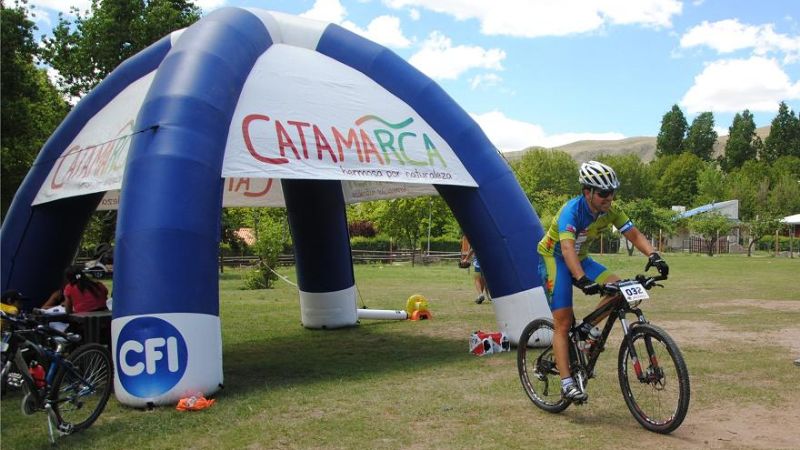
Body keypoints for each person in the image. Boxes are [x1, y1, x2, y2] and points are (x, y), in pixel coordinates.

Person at [537, 160, 669, 401]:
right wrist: (582, 279)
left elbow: (634, 234)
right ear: (587, 192)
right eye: (604, 193)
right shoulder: (572, 211)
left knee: (620, 287)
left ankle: (587, 330)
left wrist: (654, 255)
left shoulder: (611, 211)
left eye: (612, 192)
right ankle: (567, 383)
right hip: (554, 259)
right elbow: (566, 248)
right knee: (563, 322)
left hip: (581, 258)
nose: (610, 198)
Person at [41, 265, 109, 314]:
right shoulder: (99, 285)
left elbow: (68, 311)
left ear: (68, 278)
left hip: (83, 319)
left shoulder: (69, 288)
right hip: (104, 316)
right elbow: (105, 298)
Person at [460, 235, 488, 304]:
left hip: (479, 259)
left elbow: (473, 249)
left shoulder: (476, 237)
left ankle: (480, 294)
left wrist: (466, 259)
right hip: (487, 259)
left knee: (477, 278)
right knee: (483, 278)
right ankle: (480, 296)